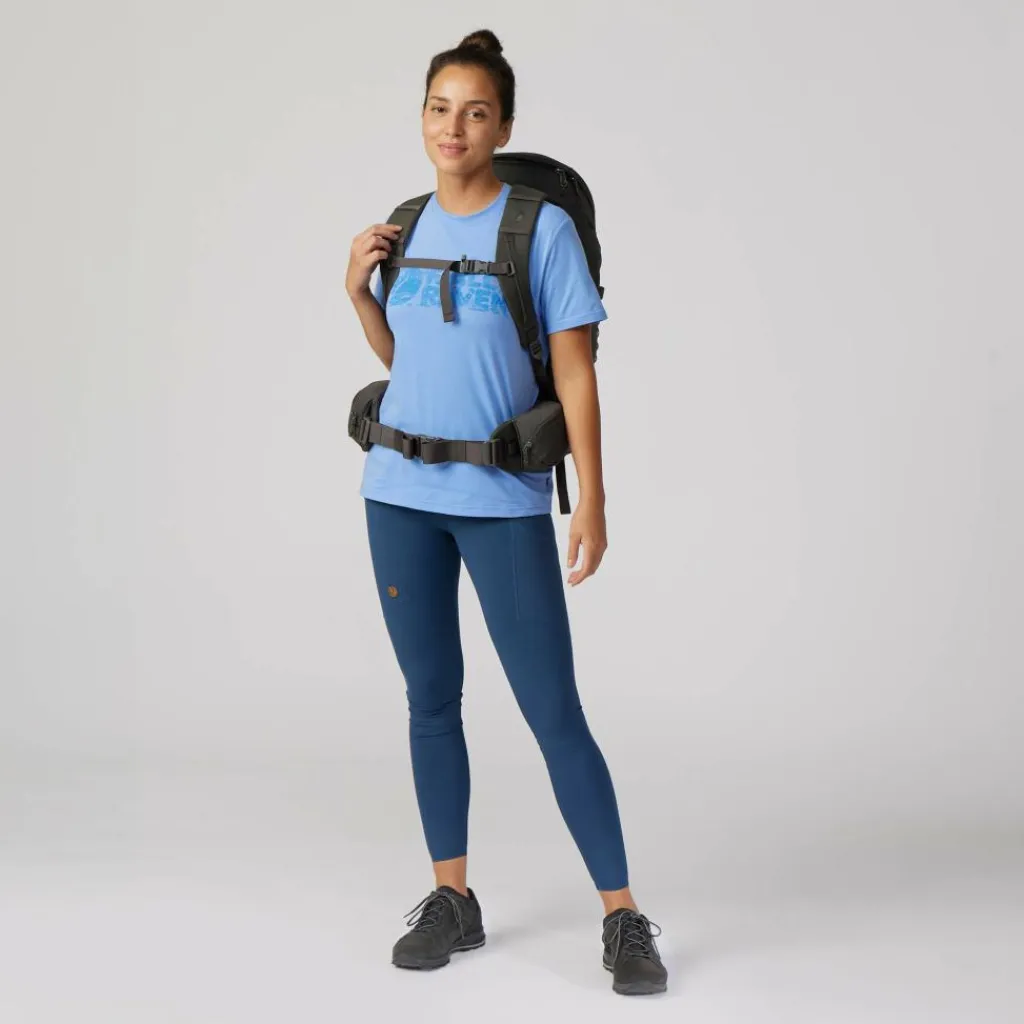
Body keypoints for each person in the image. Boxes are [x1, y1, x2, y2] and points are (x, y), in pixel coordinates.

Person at [344, 29, 668, 997]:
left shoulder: (541, 230)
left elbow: (574, 371)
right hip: (398, 495)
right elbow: (409, 361)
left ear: (504, 126)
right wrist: (357, 292)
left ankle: (622, 916)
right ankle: (453, 899)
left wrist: (593, 498)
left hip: (498, 500)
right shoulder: (405, 226)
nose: (454, 127)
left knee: (552, 710)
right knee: (429, 700)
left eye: (475, 112)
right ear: (422, 118)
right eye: (439, 108)